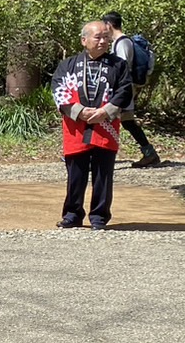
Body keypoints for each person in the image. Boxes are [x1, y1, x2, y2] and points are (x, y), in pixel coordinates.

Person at [50, 20, 132, 230]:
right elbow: (59, 90)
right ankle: (72, 214)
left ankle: (99, 217)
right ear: (84, 40)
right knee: (76, 174)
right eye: (98, 37)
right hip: (76, 128)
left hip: (106, 127)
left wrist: (106, 111)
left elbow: (125, 91)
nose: (103, 41)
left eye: (106, 37)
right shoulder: (68, 65)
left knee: (103, 174)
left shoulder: (118, 65)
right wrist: (79, 112)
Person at [101, 11, 160, 168]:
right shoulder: (120, 42)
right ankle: (150, 153)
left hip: (123, 90)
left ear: (109, 25)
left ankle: (93, 155)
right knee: (127, 121)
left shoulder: (122, 42)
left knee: (103, 118)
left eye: (103, 26)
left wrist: (116, 89)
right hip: (125, 89)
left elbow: (123, 67)